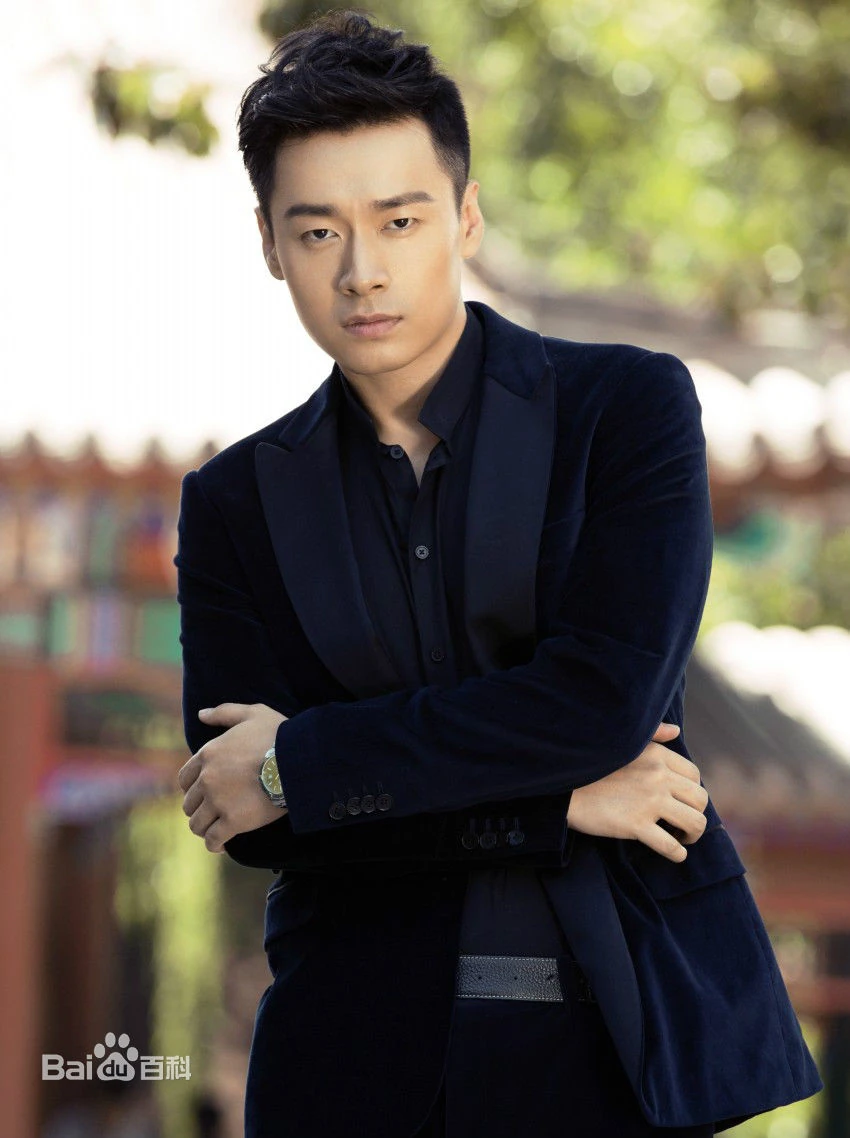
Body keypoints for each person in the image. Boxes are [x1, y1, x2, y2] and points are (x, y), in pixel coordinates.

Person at [174, 10, 823, 1137]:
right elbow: (252, 815)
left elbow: (600, 702)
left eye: (400, 220)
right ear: (271, 244)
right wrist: (561, 800)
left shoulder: (625, 410)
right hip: (348, 1065)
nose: (363, 271)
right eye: (318, 232)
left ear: (465, 218)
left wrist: (309, 758)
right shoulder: (233, 501)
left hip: (613, 1045)